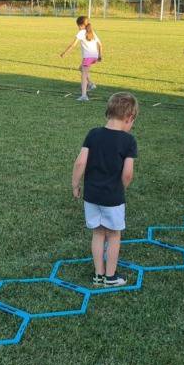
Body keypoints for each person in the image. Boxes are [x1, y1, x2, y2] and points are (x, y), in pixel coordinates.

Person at [71, 92, 138, 286]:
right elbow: (127, 174)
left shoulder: (93, 134)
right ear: (129, 117)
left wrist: (75, 184)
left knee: (98, 233)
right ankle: (110, 277)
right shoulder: (128, 141)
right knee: (114, 234)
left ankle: (98, 274)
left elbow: (80, 162)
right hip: (113, 197)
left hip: (91, 196)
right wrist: (121, 188)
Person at [59, 16, 102, 101]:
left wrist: (65, 53)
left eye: (78, 25)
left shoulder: (81, 32)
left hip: (88, 57)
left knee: (84, 75)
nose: (78, 27)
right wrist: (100, 56)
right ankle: (91, 84)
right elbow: (100, 45)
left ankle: (84, 96)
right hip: (94, 56)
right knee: (81, 68)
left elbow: (73, 44)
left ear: (81, 25)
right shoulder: (92, 32)